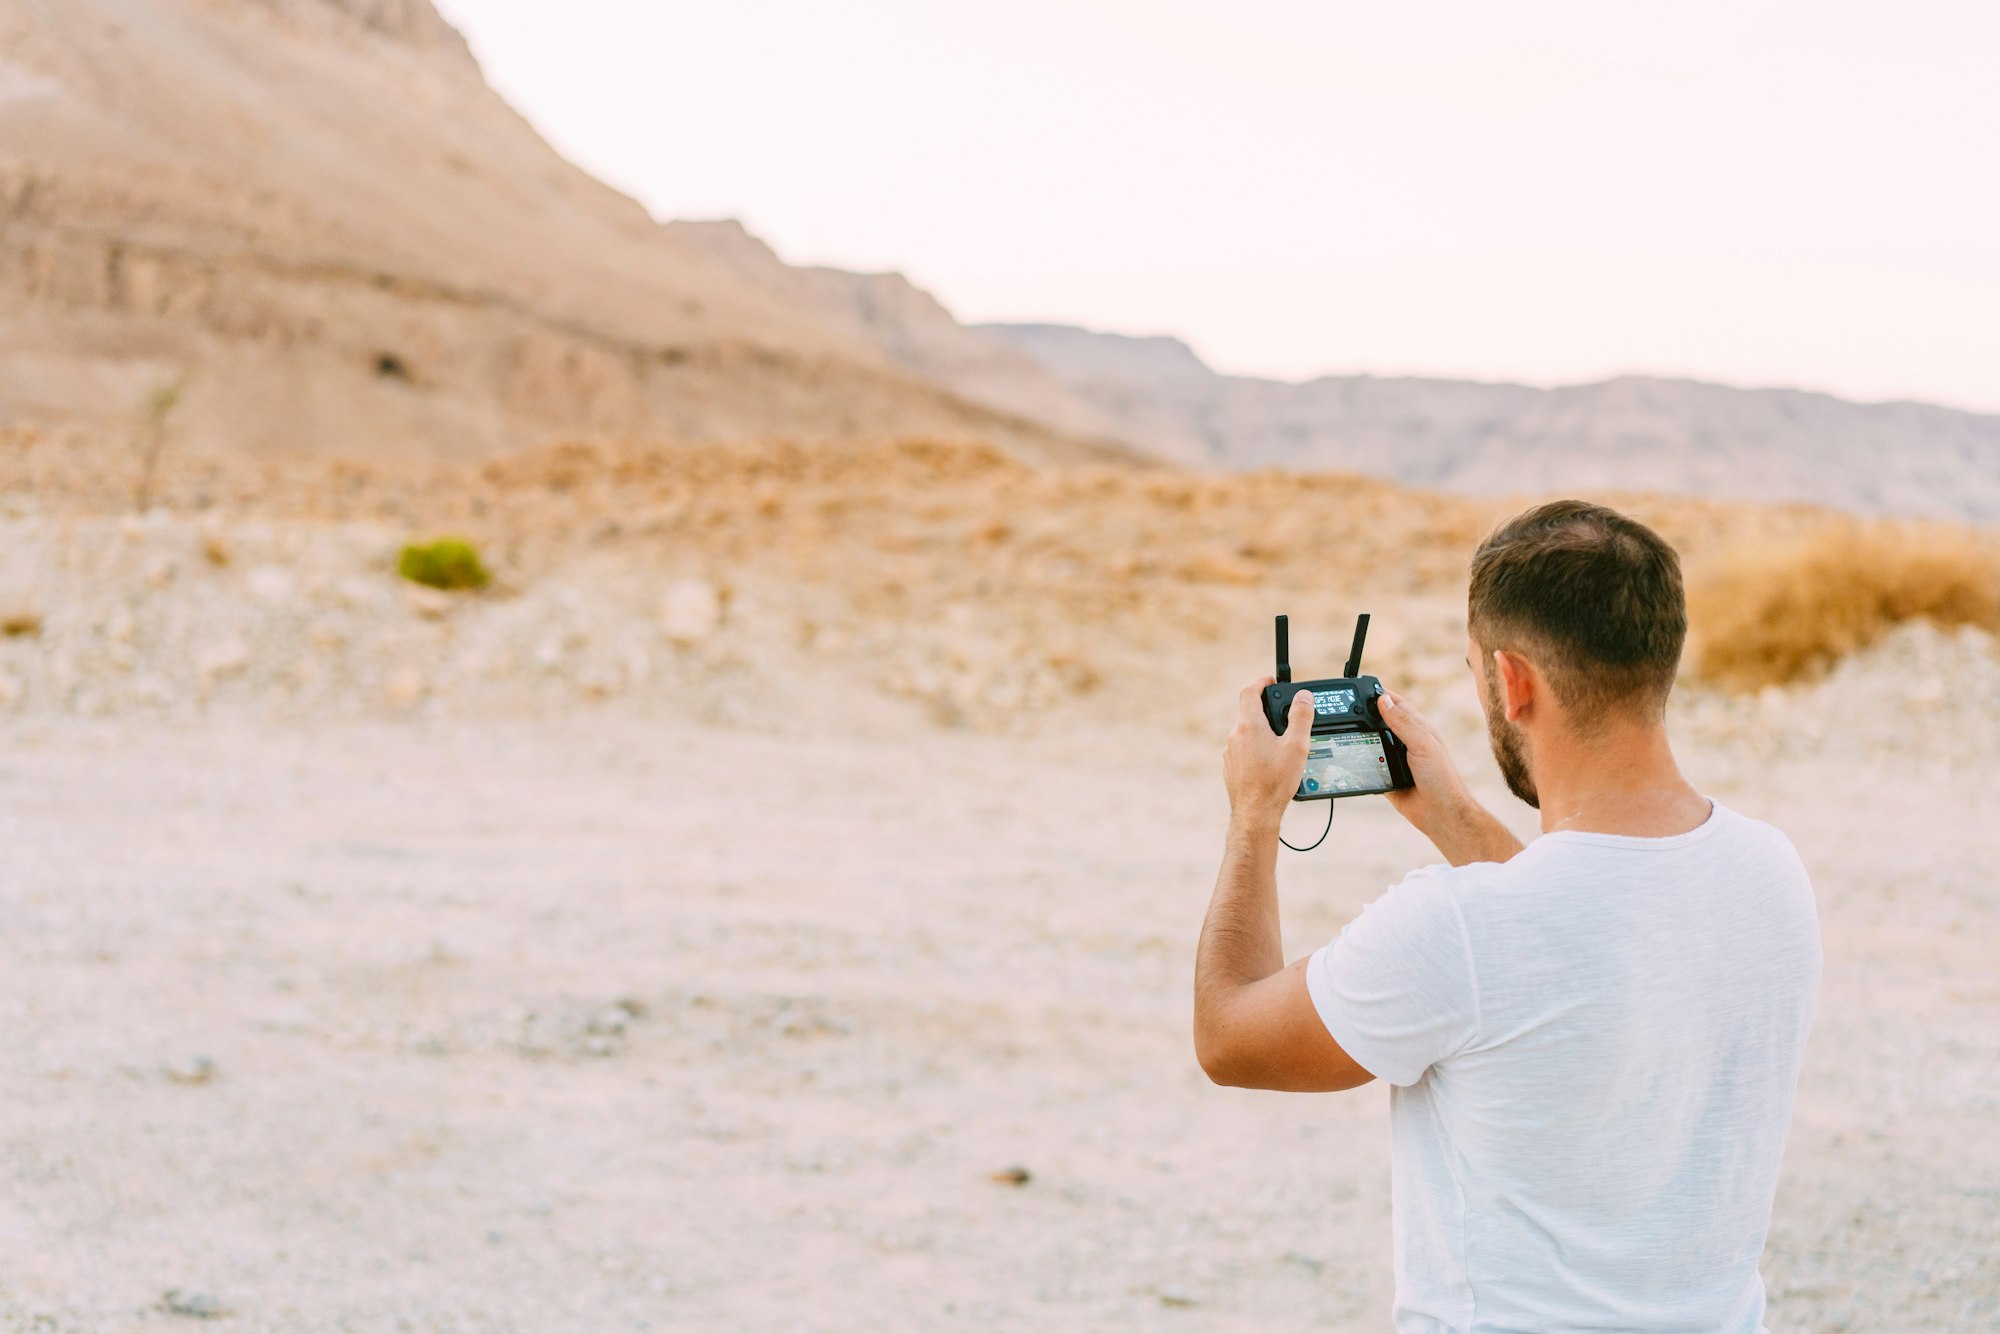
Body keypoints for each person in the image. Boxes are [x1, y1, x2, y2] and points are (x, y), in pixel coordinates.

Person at [1192, 500, 1821, 1333]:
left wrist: (1254, 814)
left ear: (1512, 681)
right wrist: (1455, 818)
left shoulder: (1458, 928)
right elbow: (1582, 938)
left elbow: (1231, 1036)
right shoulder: (1770, 869)